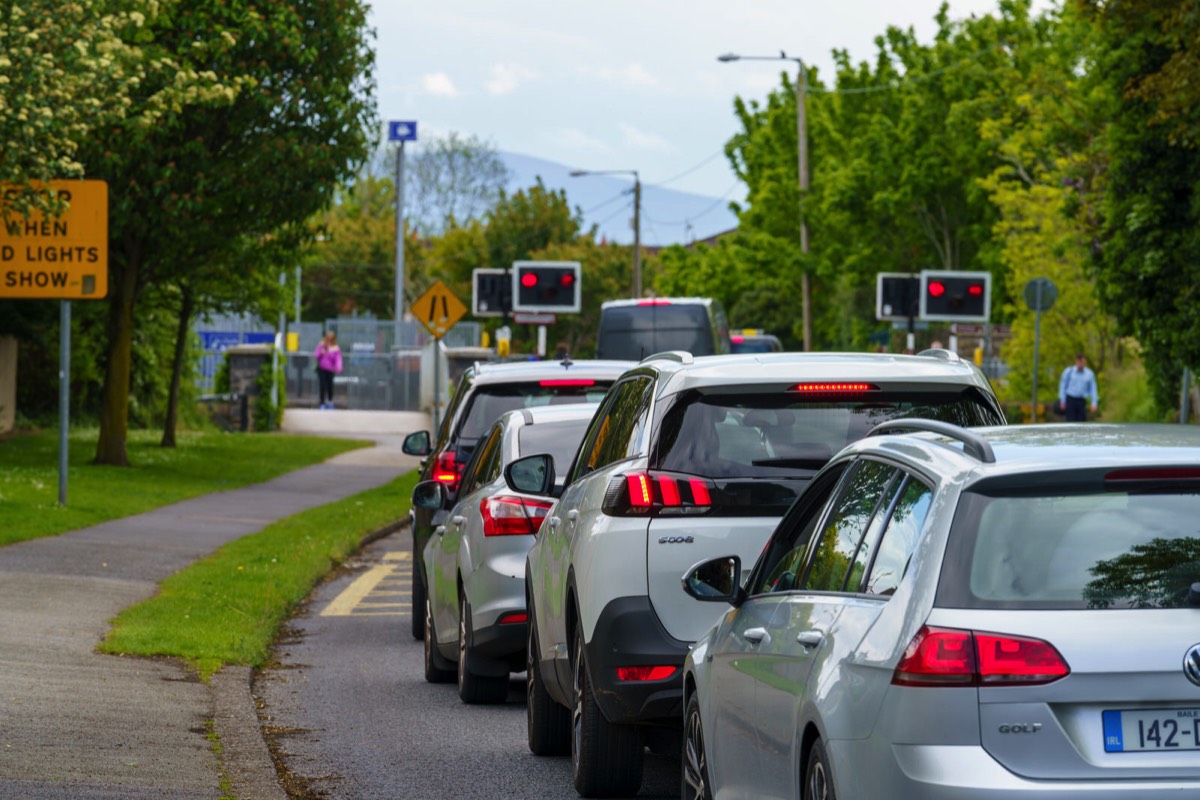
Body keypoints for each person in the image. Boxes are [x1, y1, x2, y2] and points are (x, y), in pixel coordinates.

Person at [1058, 352, 1099, 421]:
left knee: (1081, 421)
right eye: (1079, 361)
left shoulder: (1089, 374)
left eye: (1082, 361)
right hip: (1070, 399)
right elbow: (1063, 386)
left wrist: (1094, 403)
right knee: (1070, 421)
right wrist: (1062, 400)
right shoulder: (1069, 371)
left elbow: (1093, 389)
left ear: (1085, 361)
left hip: (1081, 400)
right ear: (1076, 361)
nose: (1080, 363)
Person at [314, 331, 343, 410]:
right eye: (328, 338)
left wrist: (338, 367)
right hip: (321, 368)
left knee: (330, 386)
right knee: (322, 385)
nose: (329, 340)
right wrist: (321, 352)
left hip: (330, 369)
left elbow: (338, 359)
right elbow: (316, 355)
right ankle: (322, 403)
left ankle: (330, 401)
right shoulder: (321, 345)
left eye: (331, 338)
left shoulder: (335, 348)